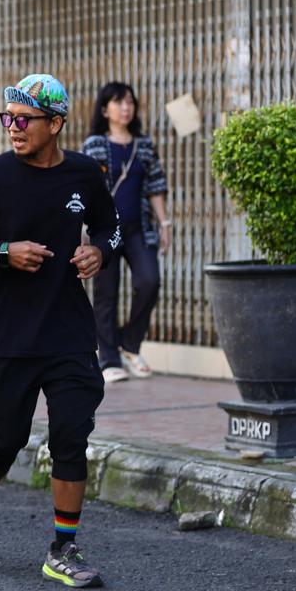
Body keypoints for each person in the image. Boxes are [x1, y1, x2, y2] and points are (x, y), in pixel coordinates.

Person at [0, 73, 121, 588]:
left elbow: (111, 226)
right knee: (3, 441)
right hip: (8, 336)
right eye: (9, 118)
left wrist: (99, 252)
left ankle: (63, 548)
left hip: (69, 333)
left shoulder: (85, 173)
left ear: (56, 124)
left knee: (71, 437)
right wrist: (5, 252)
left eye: (24, 119)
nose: (13, 127)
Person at [81, 82, 171, 383]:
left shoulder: (143, 145)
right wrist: (82, 229)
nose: (125, 108)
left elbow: (156, 185)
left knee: (149, 281)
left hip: (138, 229)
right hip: (104, 231)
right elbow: (84, 188)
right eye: (118, 102)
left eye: (130, 102)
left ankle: (130, 344)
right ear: (105, 109)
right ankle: (108, 359)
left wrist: (165, 224)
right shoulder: (94, 144)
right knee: (106, 293)